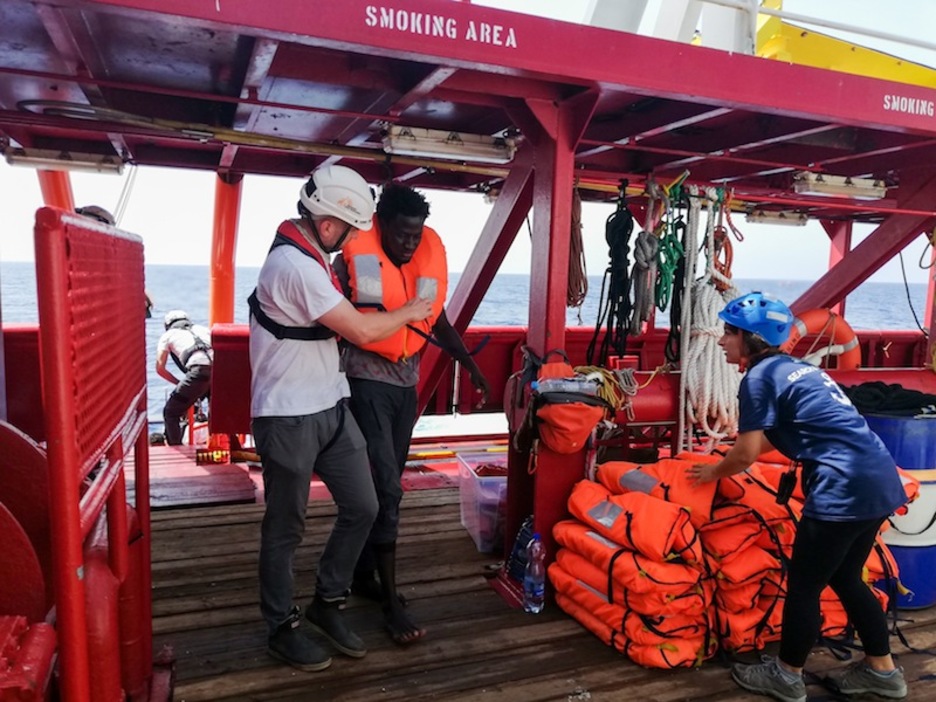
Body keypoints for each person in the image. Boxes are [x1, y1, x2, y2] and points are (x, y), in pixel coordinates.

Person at [249, 165, 433, 673]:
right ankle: (281, 626)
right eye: (351, 229)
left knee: (365, 504)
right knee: (286, 527)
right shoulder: (295, 267)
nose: (353, 238)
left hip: (330, 407)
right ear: (329, 224)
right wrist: (413, 309)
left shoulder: (316, 258)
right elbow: (362, 331)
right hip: (287, 416)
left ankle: (327, 602)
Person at [687, 291, 908, 702]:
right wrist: (734, 454)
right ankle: (884, 672)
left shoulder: (757, 378)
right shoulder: (797, 370)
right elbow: (789, 433)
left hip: (842, 490)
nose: (720, 341)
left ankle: (787, 676)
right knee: (845, 577)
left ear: (751, 339)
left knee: (804, 586)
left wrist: (713, 470)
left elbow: (748, 454)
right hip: (878, 479)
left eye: (729, 333)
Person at [335, 182, 491, 645]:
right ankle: (389, 600)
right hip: (366, 382)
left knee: (387, 485)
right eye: (402, 234)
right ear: (381, 224)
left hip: (405, 386)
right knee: (387, 486)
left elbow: (437, 320)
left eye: (416, 235)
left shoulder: (421, 256)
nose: (409, 243)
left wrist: (472, 366)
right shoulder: (352, 261)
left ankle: (364, 574)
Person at [155, 310, 213, 446]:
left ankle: (176, 450)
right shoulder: (203, 329)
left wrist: (179, 383)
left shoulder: (168, 335)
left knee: (171, 413)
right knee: (218, 411)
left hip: (198, 372)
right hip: (219, 371)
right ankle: (234, 447)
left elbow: (160, 368)